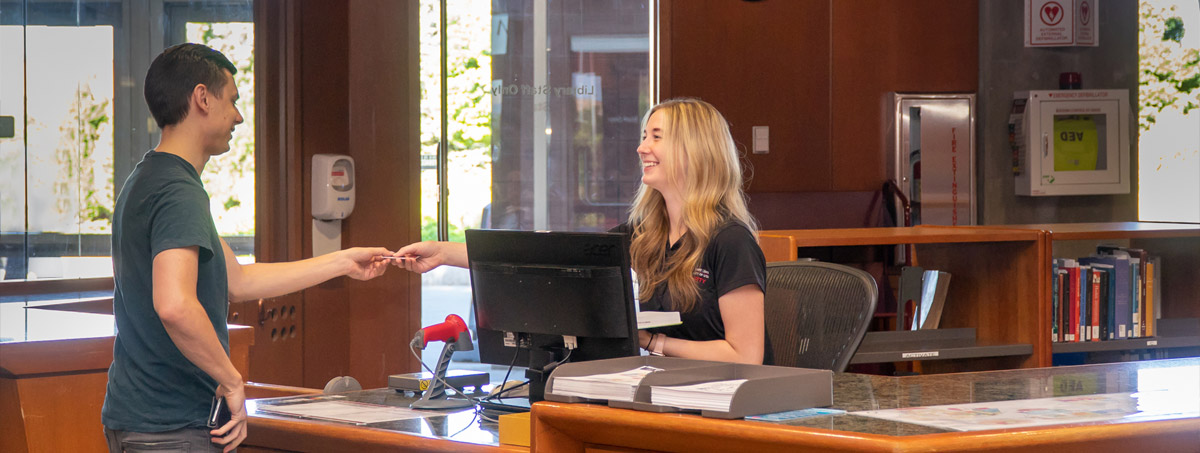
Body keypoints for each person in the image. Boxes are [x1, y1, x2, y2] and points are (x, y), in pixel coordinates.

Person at [103, 43, 392, 453]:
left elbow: (237, 280)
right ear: (202, 98)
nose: (238, 116)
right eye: (233, 101)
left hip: (141, 419)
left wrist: (344, 261)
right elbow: (174, 304)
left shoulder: (147, 178)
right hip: (169, 426)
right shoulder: (178, 191)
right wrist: (231, 379)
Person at [392, 98, 766, 364]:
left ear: (694, 150)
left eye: (655, 137)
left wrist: (652, 342)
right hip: (670, 392)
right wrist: (442, 252)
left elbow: (745, 357)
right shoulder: (647, 233)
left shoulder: (731, 240)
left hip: (728, 405)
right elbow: (554, 258)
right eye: (643, 136)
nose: (641, 148)